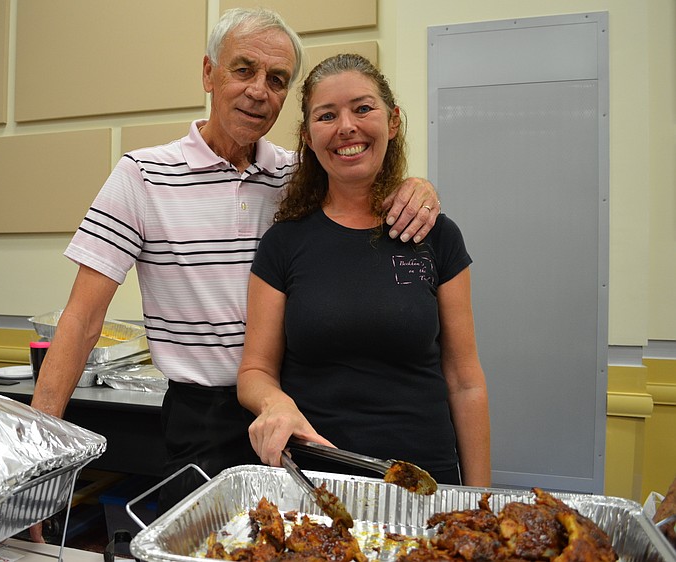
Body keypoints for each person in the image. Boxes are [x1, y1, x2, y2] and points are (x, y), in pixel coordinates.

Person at [29, 9, 441, 539]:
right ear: (208, 74)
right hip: (198, 418)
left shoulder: (297, 174)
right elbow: (83, 319)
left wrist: (418, 187)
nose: (258, 91)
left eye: (276, 80)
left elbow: (365, 178)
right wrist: (41, 460)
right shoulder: (142, 176)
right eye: (243, 70)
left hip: (291, 411)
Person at [236, 53, 490, 487]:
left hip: (422, 482)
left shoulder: (436, 234)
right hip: (313, 483)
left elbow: (466, 382)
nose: (346, 127)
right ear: (308, 137)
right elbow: (254, 372)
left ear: (392, 122)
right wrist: (273, 402)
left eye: (363, 108)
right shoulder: (284, 242)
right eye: (327, 115)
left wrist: (479, 500)